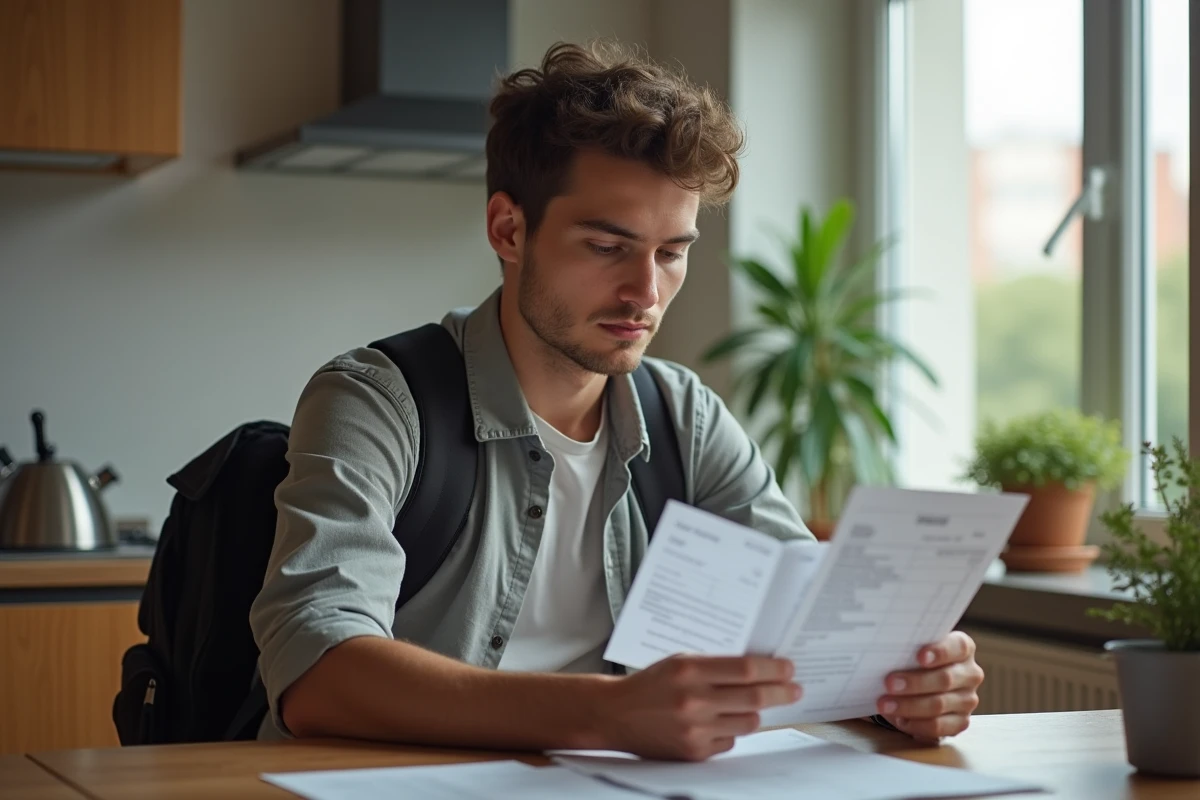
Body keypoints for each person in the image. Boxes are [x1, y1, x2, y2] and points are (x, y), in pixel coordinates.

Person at [248, 41, 984, 761]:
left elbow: (811, 629)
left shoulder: (685, 417)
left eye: (672, 252)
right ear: (509, 229)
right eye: (607, 247)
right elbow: (316, 668)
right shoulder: (377, 400)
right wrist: (607, 714)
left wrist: (903, 685)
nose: (645, 292)